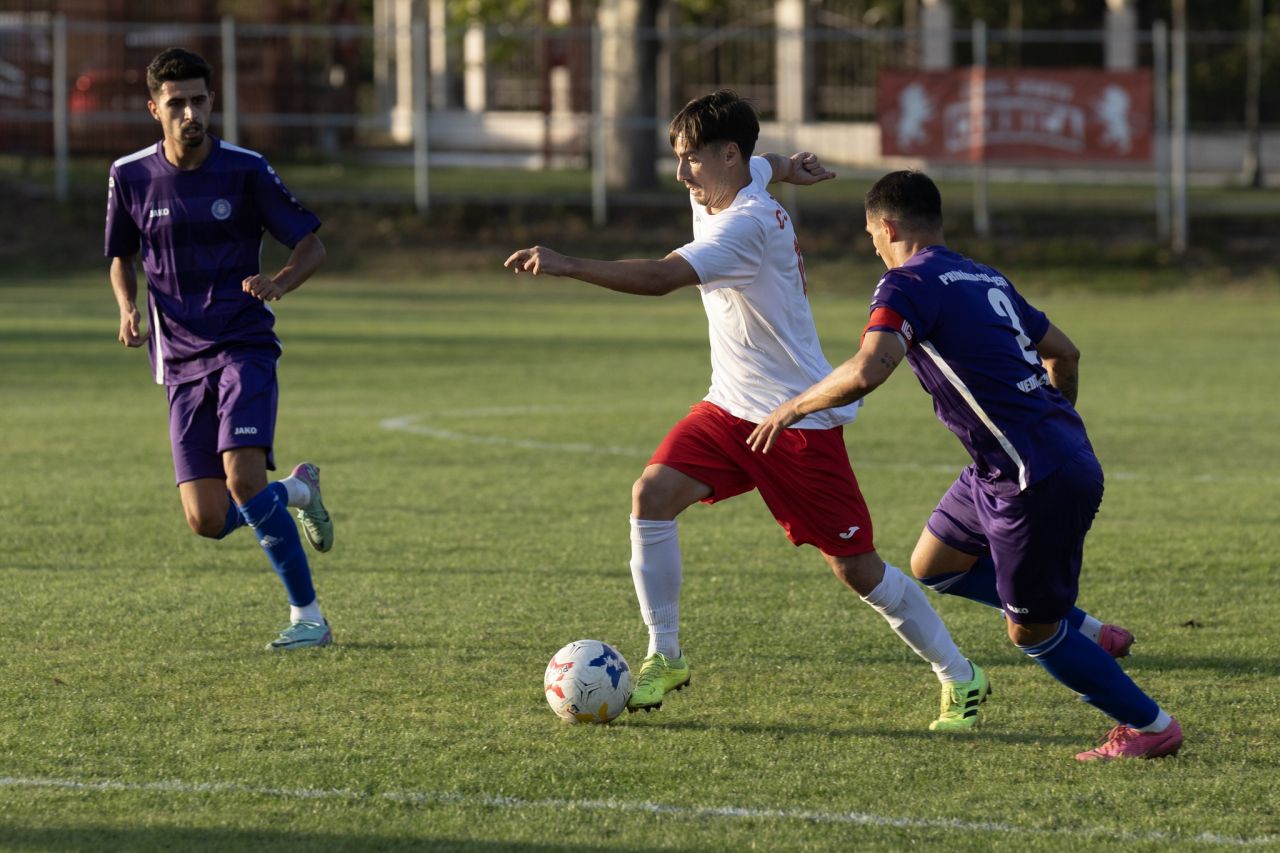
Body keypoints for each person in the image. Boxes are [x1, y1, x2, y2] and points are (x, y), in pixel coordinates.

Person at [506, 90, 989, 730]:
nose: (682, 174)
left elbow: (658, 278)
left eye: (690, 161)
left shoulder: (747, 225)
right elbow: (771, 165)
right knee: (651, 493)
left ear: (728, 155)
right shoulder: (736, 180)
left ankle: (961, 675)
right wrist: (795, 164)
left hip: (797, 419)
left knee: (859, 571)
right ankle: (666, 655)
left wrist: (567, 263)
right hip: (729, 406)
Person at [748, 170, 1183, 761]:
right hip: (1010, 464)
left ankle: (1151, 725)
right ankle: (1091, 632)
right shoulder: (981, 274)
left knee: (1030, 632)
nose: (873, 244)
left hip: (1031, 478)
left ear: (888, 226)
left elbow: (870, 368)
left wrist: (793, 406)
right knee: (935, 564)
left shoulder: (903, 283)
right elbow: (1065, 352)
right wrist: (1048, 419)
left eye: (872, 233)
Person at [104, 48, 335, 650]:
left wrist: (278, 283)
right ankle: (296, 490)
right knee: (207, 520)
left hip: (242, 345)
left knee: (241, 478)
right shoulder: (129, 175)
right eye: (175, 103)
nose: (189, 113)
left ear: (212, 101)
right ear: (154, 108)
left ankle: (307, 616)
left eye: (198, 100)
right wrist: (128, 307)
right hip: (179, 360)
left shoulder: (246, 169)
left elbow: (311, 245)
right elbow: (119, 256)